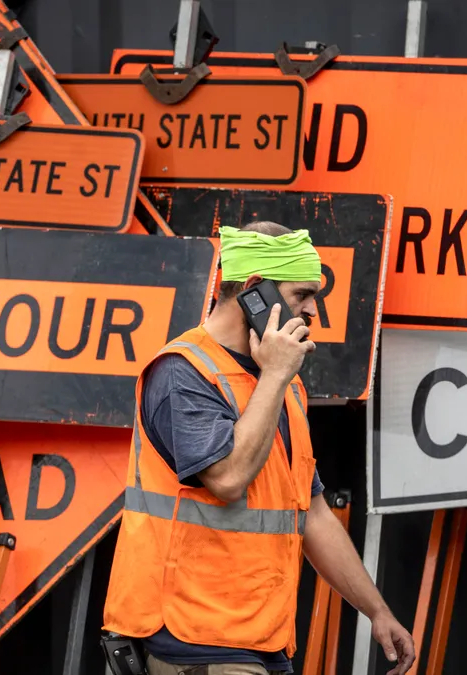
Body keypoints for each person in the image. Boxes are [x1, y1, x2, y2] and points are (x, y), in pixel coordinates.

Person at [101, 221, 414, 675]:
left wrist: (377, 611)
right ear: (253, 290)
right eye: (301, 295)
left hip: (259, 638)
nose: (311, 312)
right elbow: (227, 480)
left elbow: (311, 511)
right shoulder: (183, 372)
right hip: (193, 639)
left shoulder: (281, 384)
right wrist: (274, 376)